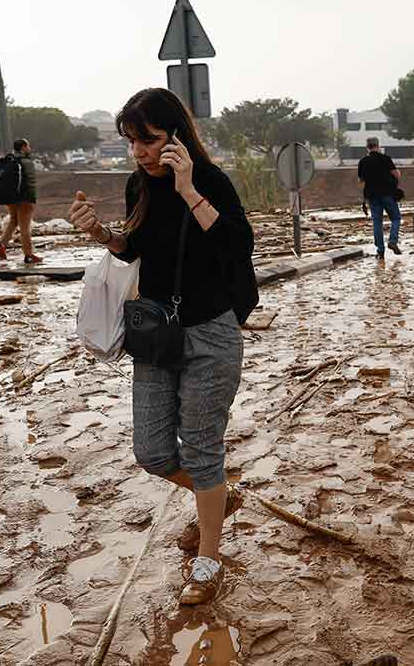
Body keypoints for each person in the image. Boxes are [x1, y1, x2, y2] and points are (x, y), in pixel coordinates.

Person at [67, 88, 257, 606]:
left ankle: (208, 561)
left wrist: (189, 188)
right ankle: (218, 496)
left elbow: (239, 245)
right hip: (156, 332)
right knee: (151, 452)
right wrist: (104, 235)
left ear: (175, 136)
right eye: (131, 142)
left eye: (147, 141)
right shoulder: (137, 185)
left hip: (210, 333)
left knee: (201, 450)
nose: (139, 153)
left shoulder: (209, 180)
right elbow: (138, 248)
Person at [0, 138, 41, 264]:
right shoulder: (27, 162)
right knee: (25, 227)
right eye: (28, 146)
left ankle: (1, 245)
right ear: (23, 148)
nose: (29, 149)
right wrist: (31, 199)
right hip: (25, 199)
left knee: (13, 221)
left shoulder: (9, 161)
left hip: (11, 198)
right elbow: (30, 183)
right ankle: (28, 255)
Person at [357, 137, 403, 257]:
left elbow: (361, 180)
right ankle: (392, 241)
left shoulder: (363, 161)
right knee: (396, 218)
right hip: (388, 194)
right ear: (378, 145)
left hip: (372, 196)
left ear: (367, 147)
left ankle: (380, 251)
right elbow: (397, 175)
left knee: (377, 222)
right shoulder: (385, 158)